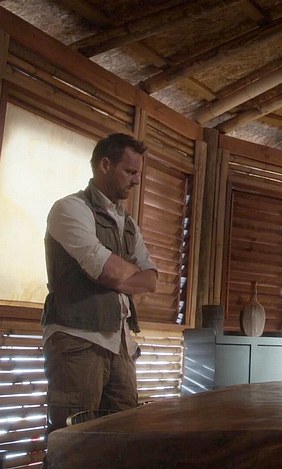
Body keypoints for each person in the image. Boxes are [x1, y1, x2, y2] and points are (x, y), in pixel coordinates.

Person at [42, 133, 158, 436]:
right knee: (73, 440)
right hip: (77, 341)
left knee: (122, 438)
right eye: (130, 172)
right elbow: (107, 270)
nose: (136, 180)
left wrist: (117, 273)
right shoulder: (70, 209)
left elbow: (151, 279)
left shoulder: (127, 223)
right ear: (105, 165)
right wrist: (121, 272)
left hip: (121, 345)